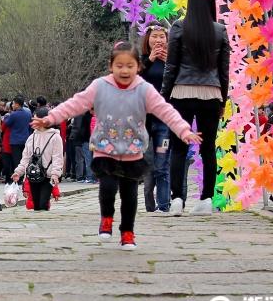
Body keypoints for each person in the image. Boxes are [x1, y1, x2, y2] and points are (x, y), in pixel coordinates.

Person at [36, 42, 201, 250]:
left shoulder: (145, 90)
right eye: (119, 65)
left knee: (130, 195)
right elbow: (75, 104)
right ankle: (106, 217)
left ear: (138, 66)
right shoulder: (99, 87)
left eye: (130, 66)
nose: (124, 70)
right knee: (107, 188)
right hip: (105, 149)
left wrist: (183, 130)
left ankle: (127, 232)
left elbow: (165, 110)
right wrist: (50, 118)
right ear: (110, 66)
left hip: (133, 152)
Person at [161, 0, 231, 216]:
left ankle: (177, 199)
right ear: (211, 2)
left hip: (181, 93)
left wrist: (163, 97)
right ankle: (206, 199)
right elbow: (224, 72)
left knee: (179, 149)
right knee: (208, 149)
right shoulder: (220, 30)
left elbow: (170, 66)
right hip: (210, 94)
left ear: (190, 1)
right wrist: (223, 101)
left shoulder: (179, 27)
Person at [140, 23, 172, 213]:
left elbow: (180, 79)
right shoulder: (142, 60)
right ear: (148, 39)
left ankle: (163, 205)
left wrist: (170, 63)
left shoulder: (174, 60)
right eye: (155, 36)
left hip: (164, 119)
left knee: (162, 163)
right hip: (144, 120)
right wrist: (149, 60)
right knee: (143, 162)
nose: (158, 40)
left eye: (162, 36)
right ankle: (147, 203)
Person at [11, 107, 63, 211]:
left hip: (48, 176)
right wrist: (18, 172)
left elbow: (58, 158)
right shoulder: (32, 137)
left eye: (35, 119)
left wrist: (55, 174)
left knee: (44, 204)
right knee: (36, 205)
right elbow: (26, 158)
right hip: (33, 175)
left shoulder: (55, 137)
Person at [2, 95, 31, 183]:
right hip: (25, 139)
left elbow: (7, 124)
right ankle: (24, 177)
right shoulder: (28, 113)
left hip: (15, 140)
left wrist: (6, 117)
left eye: (13, 104)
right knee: (24, 158)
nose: (12, 105)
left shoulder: (14, 115)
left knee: (16, 160)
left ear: (17, 105)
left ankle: (18, 177)